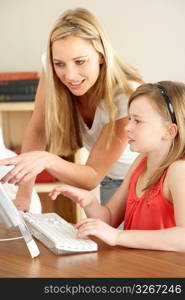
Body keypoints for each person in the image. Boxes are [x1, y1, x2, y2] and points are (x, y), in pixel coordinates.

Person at [0, 7, 143, 211]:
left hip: (143, 185)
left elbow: (91, 176)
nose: (70, 75)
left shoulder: (126, 97)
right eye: (60, 64)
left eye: (80, 62)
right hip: (110, 180)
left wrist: (48, 159)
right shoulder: (52, 66)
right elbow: (38, 128)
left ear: (101, 56)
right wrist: (24, 196)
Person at [48, 81, 185, 252]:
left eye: (137, 121)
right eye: (129, 119)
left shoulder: (179, 171)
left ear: (169, 131)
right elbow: (109, 218)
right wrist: (89, 202)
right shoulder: (141, 162)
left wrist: (118, 236)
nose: (127, 127)